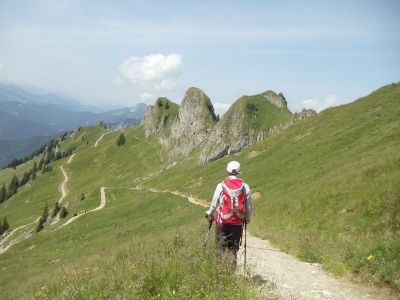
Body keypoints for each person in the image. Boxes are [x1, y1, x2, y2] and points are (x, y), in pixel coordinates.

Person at [205, 160, 252, 262]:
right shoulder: (245, 186)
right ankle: (231, 272)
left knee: (220, 248)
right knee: (233, 250)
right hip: (238, 223)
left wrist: (210, 213)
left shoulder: (221, 185)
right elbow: (248, 206)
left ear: (227, 171)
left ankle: (219, 272)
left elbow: (214, 202)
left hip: (222, 222)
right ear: (239, 172)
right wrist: (247, 219)